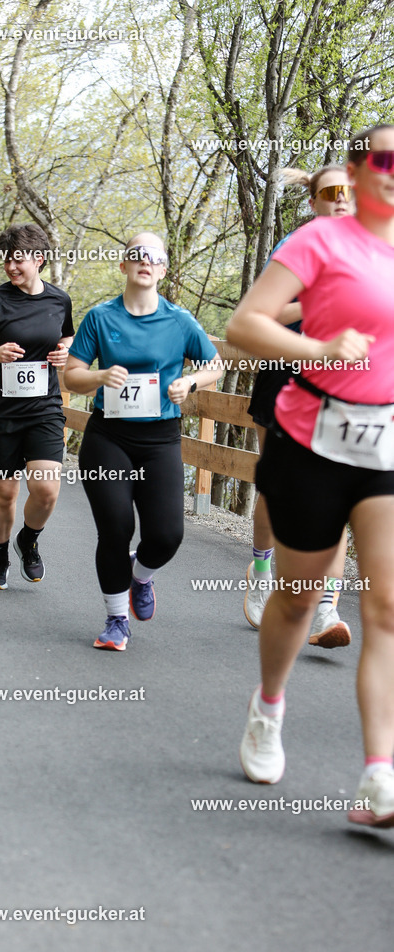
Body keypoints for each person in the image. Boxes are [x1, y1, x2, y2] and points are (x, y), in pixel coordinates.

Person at [227, 124, 394, 828]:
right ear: (357, 171)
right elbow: (245, 325)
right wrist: (320, 346)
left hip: (386, 443)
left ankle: (378, 774)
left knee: (384, 606)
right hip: (311, 438)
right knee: (298, 599)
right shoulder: (319, 242)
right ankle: (268, 706)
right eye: (383, 159)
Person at [64, 233, 222, 650]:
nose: (145, 262)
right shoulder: (100, 317)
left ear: (163, 269)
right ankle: (116, 620)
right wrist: (99, 376)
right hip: (109, 436)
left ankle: (141, 575)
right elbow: (71, 374)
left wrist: (189, 381)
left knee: (167, 535)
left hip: (160, 439)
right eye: (137, 255)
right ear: (124, 265)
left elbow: (214, 365)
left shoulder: (179, 319)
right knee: (115, 529)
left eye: (155, 258)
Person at [245, 166, 353, 648]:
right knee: (279, 484)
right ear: (314, 203)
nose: (341, 200)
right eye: (330, 193)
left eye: (350, 192)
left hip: (345, 380)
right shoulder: (296, 248)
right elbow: (260, 316)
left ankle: (326, 606)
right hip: (285, 370)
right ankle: (263, 565)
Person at [0, 226, 72, 589]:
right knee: (5, 492)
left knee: (46, 490)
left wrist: (66, 351)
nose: (11, 266)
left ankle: (28, 538)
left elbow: (67, 336)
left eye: (18, 258)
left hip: (44, 408)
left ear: (39, 258)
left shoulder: (59, 300)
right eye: (7, 259)